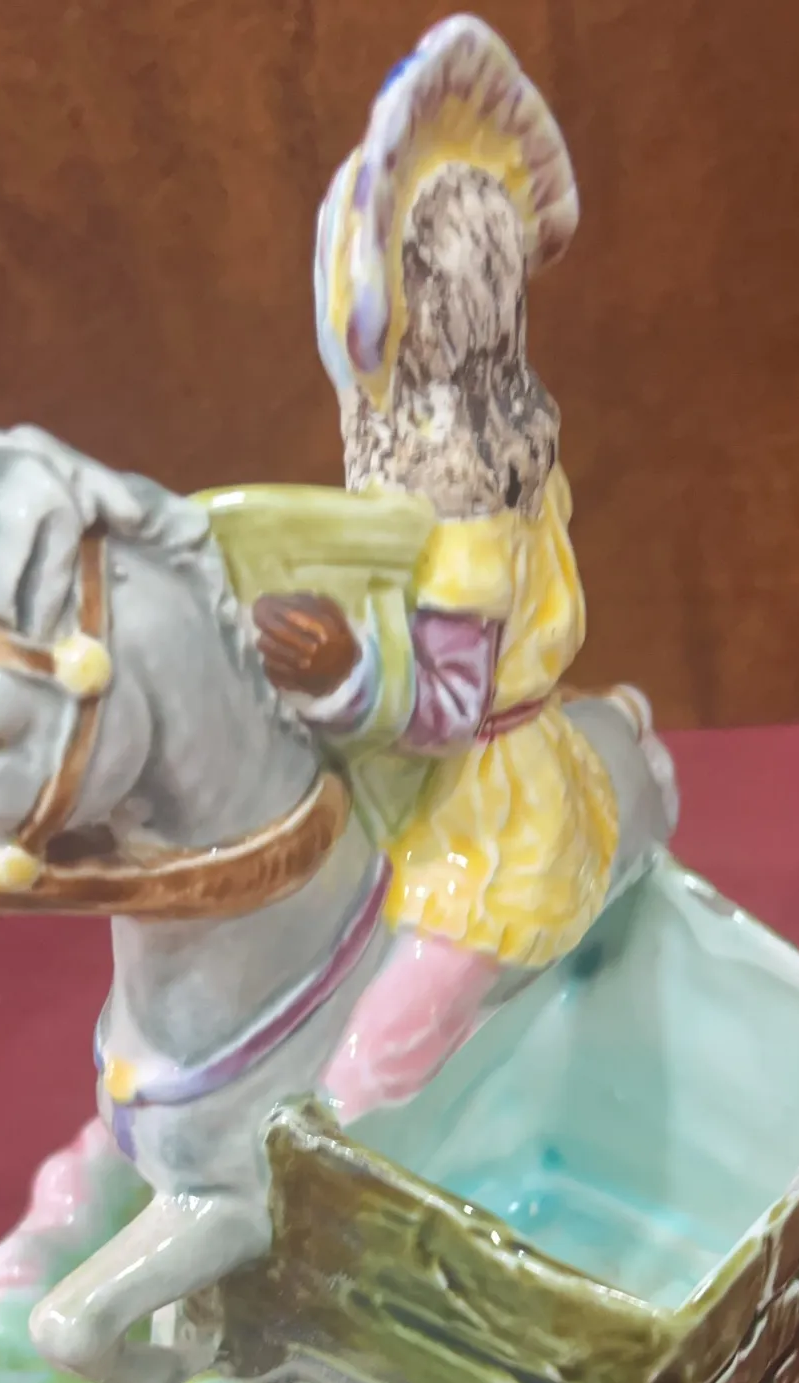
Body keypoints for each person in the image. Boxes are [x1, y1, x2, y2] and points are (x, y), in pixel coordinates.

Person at [254, 17, 620, 1119]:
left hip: (484, 808)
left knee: (379, 1052)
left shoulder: (466, 500)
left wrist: (337, 674)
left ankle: (345, 1149)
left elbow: (449, 706)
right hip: (406, 788)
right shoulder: (437, 453)